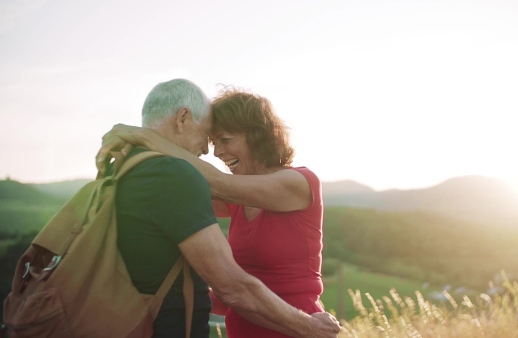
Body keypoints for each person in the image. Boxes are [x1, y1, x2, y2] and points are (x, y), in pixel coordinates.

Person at [95, 79, 339, 338]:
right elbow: (174, 197)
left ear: (256, 136)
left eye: (225, 140)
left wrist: (144, 136)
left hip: (298, 327)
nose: (217, 152)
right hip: (245, 327)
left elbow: (213, 182)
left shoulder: (299, 183)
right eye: (213, 142)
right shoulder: (237, 197)